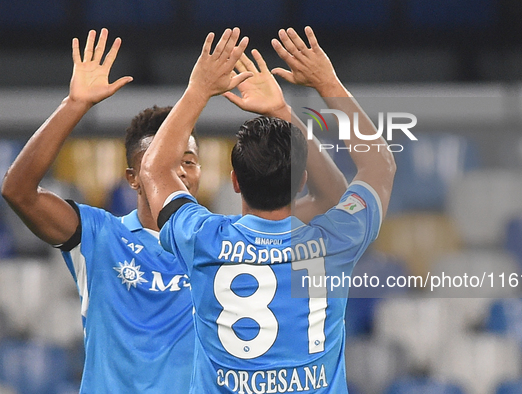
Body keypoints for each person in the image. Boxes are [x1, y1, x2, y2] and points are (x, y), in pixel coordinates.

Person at [1, 28, 346, 393]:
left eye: (191, 161)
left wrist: (280, 111)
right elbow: (17, 191)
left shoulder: (224, 240)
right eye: (167, 161)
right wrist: (75, 105)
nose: (181, 171)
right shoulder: (99, 235)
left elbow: (333, 202)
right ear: (134, 178)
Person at [140, 26, 396, 394]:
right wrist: (325, 84)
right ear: (303, 180)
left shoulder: (202, 238)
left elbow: (154, 168)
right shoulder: (336, 240)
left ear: (235, 182)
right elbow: (379, 166)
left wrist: (199, 90)